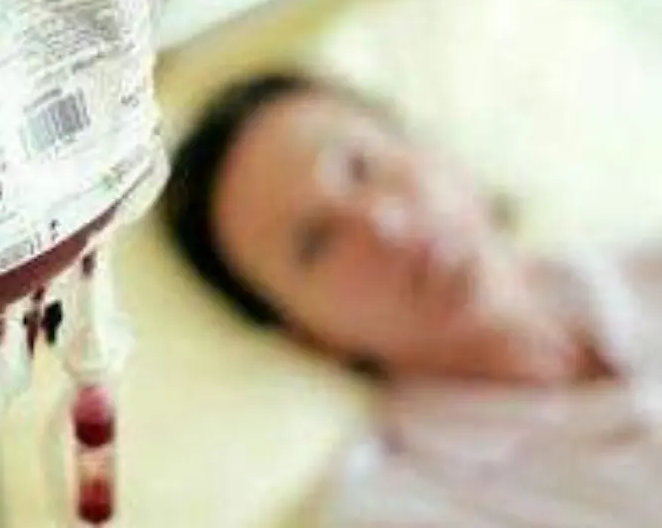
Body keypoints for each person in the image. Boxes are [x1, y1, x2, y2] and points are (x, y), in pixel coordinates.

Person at [164, 70, 662, 526]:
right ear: (310, 337)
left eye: (361, 166)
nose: (385, 225)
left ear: (430, 148)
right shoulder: (400, 507)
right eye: (317, 243)